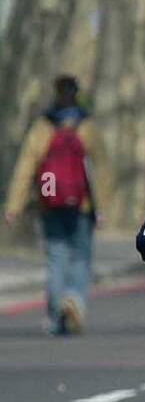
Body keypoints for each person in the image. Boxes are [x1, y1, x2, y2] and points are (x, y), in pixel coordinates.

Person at [4, 75, 108, 335]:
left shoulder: (43, 126)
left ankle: (55, 315)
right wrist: (103, 207)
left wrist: (13, 205)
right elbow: (102, 169)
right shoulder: (87, 126)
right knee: (81, 258)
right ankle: (74, 299)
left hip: (50, 204)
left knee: (56, 257)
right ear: (76, 93)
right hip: (81, 205)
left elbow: (26, 166)